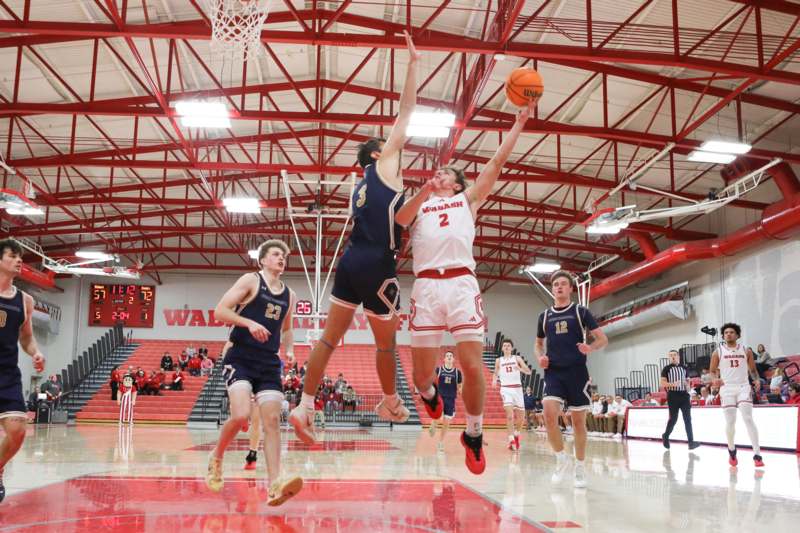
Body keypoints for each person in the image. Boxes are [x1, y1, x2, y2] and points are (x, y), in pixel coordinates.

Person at [288, 32, 420, 443]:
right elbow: (406, 113)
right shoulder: (385, 167)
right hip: (377, 264)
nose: (397, 147)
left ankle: (304, 405)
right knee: (385, 345)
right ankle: (389, 400)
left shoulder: (357, 187)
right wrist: (413, 65)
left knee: (329, 338)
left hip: (350, 262)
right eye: (389, 145)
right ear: (378, 154)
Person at [397, 102, 535, 476]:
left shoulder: (466, 199)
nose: (438, 174)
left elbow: (496, 165)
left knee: (473, 366)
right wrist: (424, 191)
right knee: (421, 377)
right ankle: (430, 398)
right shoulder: (421, 204)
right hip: (426, 286)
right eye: (436, 172)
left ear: (457, 184)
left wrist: (518, 124)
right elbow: (401, 219)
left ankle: (473, 434)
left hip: (460, 283)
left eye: (445, 173)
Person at [206, 239, 302, 506]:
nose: (281, 258)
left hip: (268, 362)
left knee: (272, 422)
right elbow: (220, 312)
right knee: (240, 416)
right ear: (263, 260)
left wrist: (290, 350)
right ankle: (217, 456)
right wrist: (248, 323)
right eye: (276, 254)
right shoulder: (251, 280)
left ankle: (275, 484)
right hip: (240, 356)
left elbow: (287, 329)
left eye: (284, 256)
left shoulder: (290, 295)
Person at [535, 270, 608, 489]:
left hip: (577, 372)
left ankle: (580, 467)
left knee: (578, 423)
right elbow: (538, 344)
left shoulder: (580, 312)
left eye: (562, 284)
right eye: (555, 284)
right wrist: (540, 357)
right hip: (554, 373)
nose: (558, 287)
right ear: (552, 289)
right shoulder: (544, 316)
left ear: (570, 288)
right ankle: (561, 459)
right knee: (549, 415)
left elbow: (602, 339)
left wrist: (590, 347)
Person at [0, 239, 46, 504]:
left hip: (7, 373)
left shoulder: (25, 300)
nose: (19, 260)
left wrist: (35, 352)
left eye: (21, 257)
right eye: (12, 255)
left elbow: (26, 337)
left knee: (17, 431)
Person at [709, 323, 764, 468]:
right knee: (731, 422)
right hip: (727, 388)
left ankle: (757, 454)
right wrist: (714, 379)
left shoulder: (746, 350)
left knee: (748, 418)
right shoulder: (717, 352)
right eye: (726, 332)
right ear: (723, 336)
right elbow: (712, 371)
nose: (728, 334)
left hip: (743, 387)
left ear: (738, 335)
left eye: (732, 332)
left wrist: (757, 380)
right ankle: (732, 450)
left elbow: (753, 370)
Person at [491, 340, 532, 451]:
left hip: (517, 389)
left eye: (508, 345)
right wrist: (494, 380)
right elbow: (495, 372)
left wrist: (520, 369)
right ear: (502, 348)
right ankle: (511, 439)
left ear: (512, 348)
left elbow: (529, 371)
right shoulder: (498, 360)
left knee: (521, 417)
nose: (506, 347)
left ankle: (516, 435)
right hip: (505, 389)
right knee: (509, 415)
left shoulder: (517, 358)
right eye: (504, 345)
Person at [661, 350, 701, 451]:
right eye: (670, 355)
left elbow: (688, 383)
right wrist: (673, 384)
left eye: (674, 355)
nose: (673, 357)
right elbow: (663, 383)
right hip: (673, 396)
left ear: (678, 356)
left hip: (684, 395)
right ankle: (666, 436)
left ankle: (691, 443)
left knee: (688, 419)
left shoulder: (684, 368)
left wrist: (687, 385)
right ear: (669, 357)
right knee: (673, 419)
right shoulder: (666, 369)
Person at [428, 350, 463, 453]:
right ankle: (434, 423)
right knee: (438, 416)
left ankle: (441, 442)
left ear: (453, 359)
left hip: (450, 399)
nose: (449, 357)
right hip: (440, 397)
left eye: (451, 356)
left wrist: (461, 391)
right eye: (447, 356)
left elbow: (460, 386)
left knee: (446, 422)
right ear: (444, 359)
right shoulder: (439, 370)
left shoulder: (457, 372)